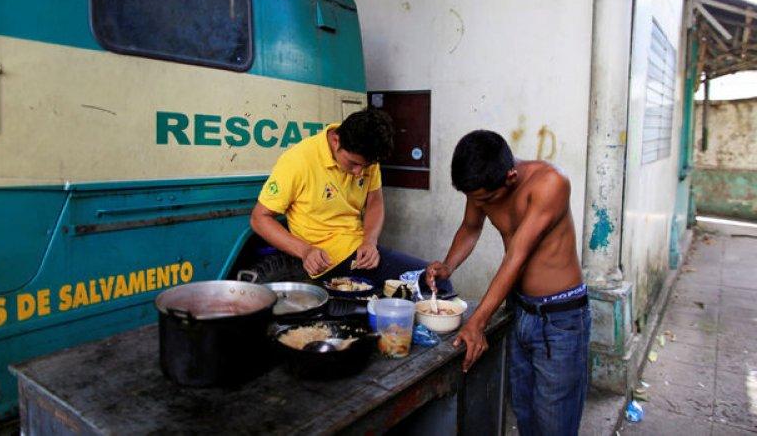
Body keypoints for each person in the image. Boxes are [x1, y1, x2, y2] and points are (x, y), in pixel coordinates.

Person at [426, 130, 589, 436]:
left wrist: (477, 322)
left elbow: (516, 257)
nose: (479, 204)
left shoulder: (550, 184)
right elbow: (470, 228)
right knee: (525, 413)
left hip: (561, 319)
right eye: (473, 198)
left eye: (485, 199)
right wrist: (448, 266)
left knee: (554, 422)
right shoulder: (482, 185)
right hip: (520, 311)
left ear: (511, 177)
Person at [251, 108, 452, 293]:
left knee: (437, 280)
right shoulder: (298, 161)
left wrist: (370, 242)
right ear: (336, 141)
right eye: (353, 164)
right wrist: (305, 251)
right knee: (433, 284)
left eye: (365, 167)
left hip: (360, 253)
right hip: (328, 262)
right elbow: (259, 218)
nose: (359, 172)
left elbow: (375, 201)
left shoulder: (366, 157)